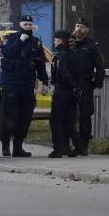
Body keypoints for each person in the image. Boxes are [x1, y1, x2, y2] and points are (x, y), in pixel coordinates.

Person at [0, 15, 49, 158]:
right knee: (10, 117)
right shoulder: (12, 39)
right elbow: (7, 52)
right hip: (11, 84)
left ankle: (18, 148)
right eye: (25, 24)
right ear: (20, 25)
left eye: (29, 24)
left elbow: (40, 64)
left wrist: (44, 82)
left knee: (25, 118)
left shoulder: (36, 42)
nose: (27, 26)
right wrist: (20, 42)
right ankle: (5, 147)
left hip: (27, 85)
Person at [69, 20, 106, 156]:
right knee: (69, 116)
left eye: (82, 27)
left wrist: (97, 83)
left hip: (85, 84)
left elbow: (100, 66)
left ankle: (83, 146)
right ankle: (70, 145)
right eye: (77, 26)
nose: (78, 29)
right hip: (70, 84)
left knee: (85, 116)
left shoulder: (91, 46)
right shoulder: (69, 43)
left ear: (87, 30)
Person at [48, 30, 80, 158]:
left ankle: (58, 150)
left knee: (56, 121)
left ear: (61, 40)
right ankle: (78, 146)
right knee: (69, 121)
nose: (54, 41)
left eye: (55, 39)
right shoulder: (73, 54)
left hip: (62, 91)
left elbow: (63, 73)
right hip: (73, 92)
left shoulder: (60, 55)